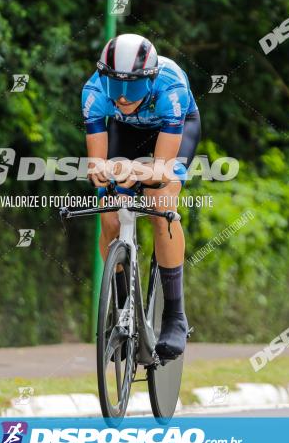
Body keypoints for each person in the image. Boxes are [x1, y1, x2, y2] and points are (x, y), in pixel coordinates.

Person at [81, 33, 201, 360]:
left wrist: (140, 173)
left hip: (172, 128)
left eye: (131, 87)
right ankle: (122, 314)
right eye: (114, 87)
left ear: (148, 78)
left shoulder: (171, 87)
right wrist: (104, 174)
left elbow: (162, 169)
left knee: (160, 202)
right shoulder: (94, 92)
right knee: (108, 214)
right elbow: (97, 166)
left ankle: (175, 316)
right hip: (125, 132)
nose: (121, 97)